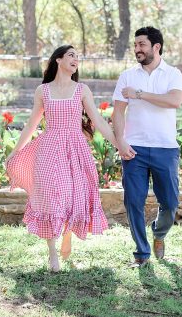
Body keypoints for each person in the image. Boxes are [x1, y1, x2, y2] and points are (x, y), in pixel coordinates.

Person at [7, 45, 120, 271]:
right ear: (58, 60)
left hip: (75, 149)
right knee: (50, 195)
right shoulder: (43, 91)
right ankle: (52, 254)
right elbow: (32, 124)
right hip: (49, 148)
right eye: (71, 55)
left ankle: (67, 234)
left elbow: (97, 121)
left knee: (71, 195)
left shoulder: (82, 90)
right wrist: (16, 151)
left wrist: (119, 144)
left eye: (77, 56)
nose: (75, 59)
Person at [112, 27, 182, 266]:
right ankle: (141, 253)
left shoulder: (173, 74)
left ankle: (159, 232)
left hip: (165, 148)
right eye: (135, 45)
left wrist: (140, 94)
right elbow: (118, 111)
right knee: (133, 200)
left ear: (157, 47)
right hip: (135, 148)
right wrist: (121, 141)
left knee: (170, 203)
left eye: (142, 45)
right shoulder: (127, 76)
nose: (137, 50)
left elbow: (173, 101)